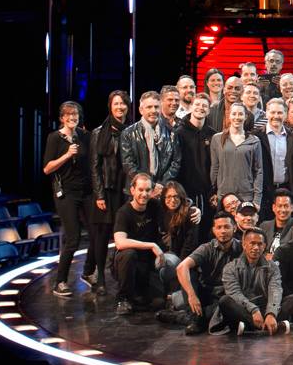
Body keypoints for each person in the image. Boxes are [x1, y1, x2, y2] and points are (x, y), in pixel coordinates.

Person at [162, 210, 239, 334]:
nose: (223, 231)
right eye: (219, 227)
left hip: (226, 296)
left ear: (234, 228)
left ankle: (189, 318)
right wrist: (192, 295)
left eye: (227, 227)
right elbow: (181, 267)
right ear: (214, 230)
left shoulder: (242, 248)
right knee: (190, 273)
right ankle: (195, 317)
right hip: (205, 293)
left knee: (224, 309)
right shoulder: (207, 248)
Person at [43, 100, 91, 295]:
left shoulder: (84, 136)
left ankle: (89, 272)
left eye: (75, 114)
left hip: (85, 191)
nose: (72, 117)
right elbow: (47, 168)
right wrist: (66, 155)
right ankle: (60, 281)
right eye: (69, 114)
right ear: (62, 118)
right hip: (66, 193)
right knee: (73, 238)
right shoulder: (55, 138)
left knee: (97, 231)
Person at [86, 89, 130, 293]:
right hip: (106, 190)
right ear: (110, 107)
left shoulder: (132, 130)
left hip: (125, 190)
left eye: (123, 103)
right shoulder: (98, 133)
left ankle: (123, 279)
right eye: (116, 104)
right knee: (102, 237)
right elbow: (94, 166)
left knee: (124, 233)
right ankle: (101, 279)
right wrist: (99, 195)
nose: (120, 107)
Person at [110, 171, 167, 314]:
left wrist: (193, 208)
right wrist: (152, 245)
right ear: (132, 190)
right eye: (140, 190)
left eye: (148, 190)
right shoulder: (123, 212)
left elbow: (175, 203)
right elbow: (120, 243)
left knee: (159, 302)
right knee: (128, 254)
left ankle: (139, 294)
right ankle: (122, 299)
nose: (144, 194)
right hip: (128, 262)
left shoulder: (154, 206)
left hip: (147, 262)